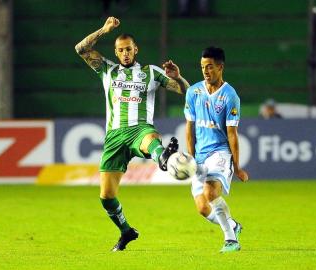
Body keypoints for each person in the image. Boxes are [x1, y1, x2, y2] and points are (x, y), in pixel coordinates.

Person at [75, 17, 190, 251]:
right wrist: (104, 30)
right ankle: (126, 231)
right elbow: (81, 49)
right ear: (116, 53)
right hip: (115, 136)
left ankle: (164, 157)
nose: (125, 53)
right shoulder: (107, 70)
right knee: (106, 196)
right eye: (120, 50)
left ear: (135, 49)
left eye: (129, 49)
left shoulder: (151, 72)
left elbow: (185, 92)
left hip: (140, 128)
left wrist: (177, 76)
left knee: (150, 140)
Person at [184, 47, 249, 253]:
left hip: (220, 152)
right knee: (203, 208)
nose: (205, 71)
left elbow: (232, 134)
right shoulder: (193, 92)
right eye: (203, 67)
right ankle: (233, 226)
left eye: (210, 66)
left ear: (220, 67)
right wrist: (192, 159)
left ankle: (231, 240)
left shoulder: (230, 96)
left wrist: (237, 167)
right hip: (201, 154)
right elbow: (189, 129)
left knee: (211, 192)